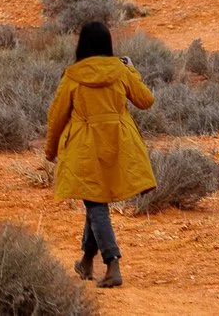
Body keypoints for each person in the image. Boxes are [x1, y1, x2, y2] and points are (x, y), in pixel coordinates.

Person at [43, 18, 155, 288]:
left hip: (84, 148)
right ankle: (85, 261)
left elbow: (57, 116)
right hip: (118, 146)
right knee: (95, 203)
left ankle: (112, 261)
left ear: (81, 44)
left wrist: (50, 150)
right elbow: (146, 100)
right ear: (108, 43)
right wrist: (132, 70)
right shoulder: (120, 70)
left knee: (95, 204)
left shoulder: (73, 75)